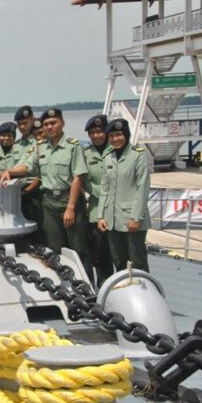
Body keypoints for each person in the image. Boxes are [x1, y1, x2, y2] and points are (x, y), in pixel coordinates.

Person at [1, 108, 92, 279]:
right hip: (49, 203)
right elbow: (27, 166)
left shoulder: (73, 146)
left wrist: (71, 207)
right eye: (46, 124)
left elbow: (78, 177)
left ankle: (88, 290)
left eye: (53, 123)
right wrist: (10, 172)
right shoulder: (40, 147)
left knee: (79, 249)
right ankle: (65, 287)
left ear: (62, 123)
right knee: (54, 249)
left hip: (68, 200)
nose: (50, 127)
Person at [97, 118, 151, 273]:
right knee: (119, 262)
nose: (115, 139)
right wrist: (101, 216)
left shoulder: (138, 156)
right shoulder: (109, 157)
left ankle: (143, 293)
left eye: (119, 134)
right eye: (112, 135)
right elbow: (104, 189)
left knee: (137, 262)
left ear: (126, 135)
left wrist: (135, 217)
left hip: (131, 220)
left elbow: (143, 188)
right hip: (111, 220)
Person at [83, 115, 115, 287]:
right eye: (92, 133)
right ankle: (104, 288)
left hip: (117, 211)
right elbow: (85, 180)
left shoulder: (117, 150)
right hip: (96, 211)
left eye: (99, 131)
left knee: (118, 254)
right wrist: (103, 194)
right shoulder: (86, 153)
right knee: (101, 255)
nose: (96, 136)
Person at [13, 106, 42, 228]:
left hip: (37, 189)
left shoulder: (39, 140)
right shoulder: (16, 145)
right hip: (20, 190)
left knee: (39, 226)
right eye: (19, 124)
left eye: (25, 123)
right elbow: (15, 166)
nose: (22, 127)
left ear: (32, 120)